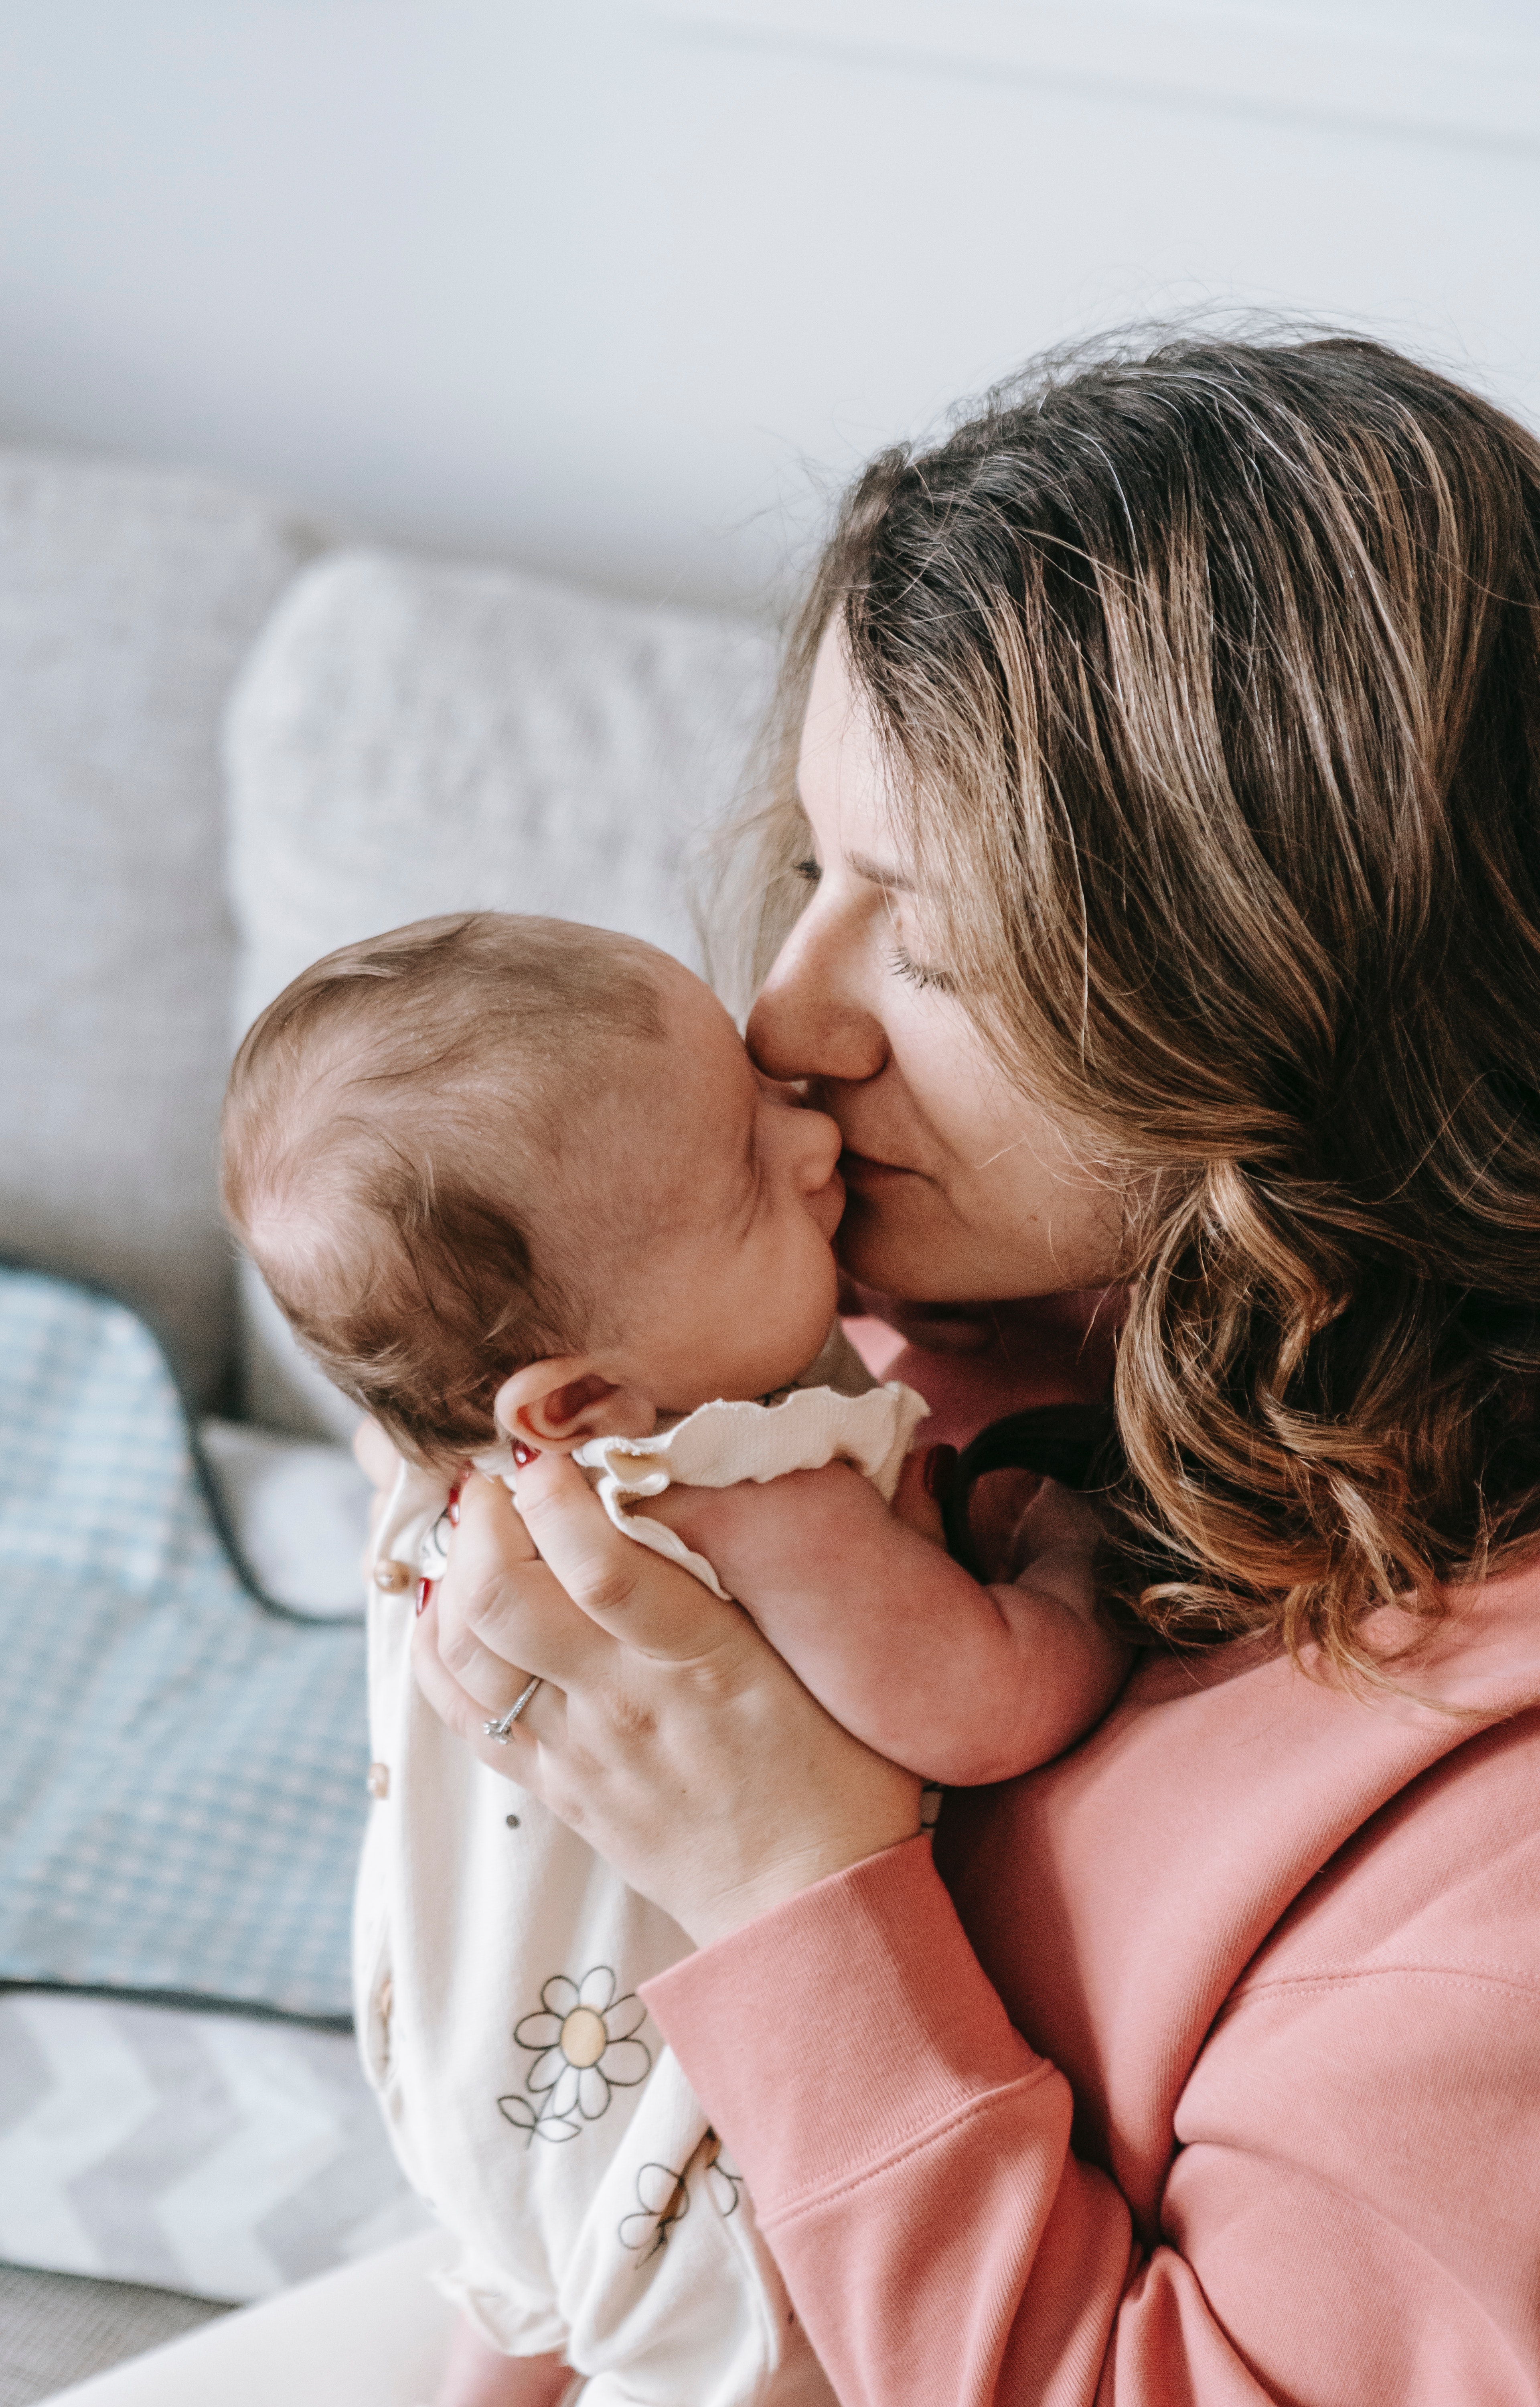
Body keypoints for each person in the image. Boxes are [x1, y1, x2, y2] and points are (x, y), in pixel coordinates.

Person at [399, 333, 1540, 2405]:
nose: (788, 1012)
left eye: (928, 940)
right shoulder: (916, 1332)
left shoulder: (1489, 1832)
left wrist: (786, 1870)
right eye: (822, 867)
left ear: (1280, 990)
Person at [219, 910, 1128, 2407]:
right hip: (689, 2140)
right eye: (748, 1186)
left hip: (479, 2076)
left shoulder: (451, 1472)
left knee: (527, 2292)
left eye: (753, 1090)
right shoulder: (744, 1487)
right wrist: (1072, 1556)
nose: (814, 1140)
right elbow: (983, 1705)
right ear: (577, 1401)